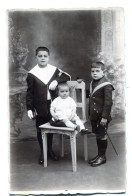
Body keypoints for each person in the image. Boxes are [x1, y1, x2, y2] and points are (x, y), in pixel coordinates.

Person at [26, 46, 70, 165]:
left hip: (52, 105)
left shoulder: (54, 70)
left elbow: (67, 76)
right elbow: (29, 93)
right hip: (39, 107)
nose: (43, 58)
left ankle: (50, 150)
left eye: (45, 56)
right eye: (40, 56)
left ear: (48, 57)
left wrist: (57, 81)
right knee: (41, 129)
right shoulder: (32, 74)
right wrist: (29, 108)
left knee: (50, 128)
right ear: (36, 57)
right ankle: (43, 152)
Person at [81, 61, 114, 167]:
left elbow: (108, 103)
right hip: (94, 116)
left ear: (103, 72)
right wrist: (80, 83)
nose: (94, 73)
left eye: (97, 71)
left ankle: (103, 157)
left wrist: (104, 117)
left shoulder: (106, 85)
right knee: (98, 135)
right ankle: (99, 155)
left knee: (102, 135)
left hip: (102, 117)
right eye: (93, 71)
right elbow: (88, 94)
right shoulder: (91, 83)